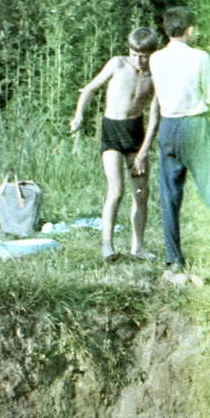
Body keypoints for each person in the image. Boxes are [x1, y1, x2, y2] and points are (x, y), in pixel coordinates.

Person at [135, 7, 210, 282]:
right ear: (189, 30)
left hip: (168, 127)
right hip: (195, 124)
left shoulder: (155, 59)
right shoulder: (200, 56)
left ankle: (174, 259)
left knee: (169, 197)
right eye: (196, 29)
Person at [69, 27, 159, 261]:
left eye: (145, 56)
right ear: (129, 51)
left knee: (141, 192)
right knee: (116, 190)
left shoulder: (155, 74)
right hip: (112, 129)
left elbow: (155, 117)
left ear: (152, 53)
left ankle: (138, 246)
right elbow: (90, 89)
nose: (139, 60)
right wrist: (79, 115)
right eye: (135, 54)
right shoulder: (118, 64)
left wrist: (143, 151)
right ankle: (107, 246)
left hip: (136, 132)